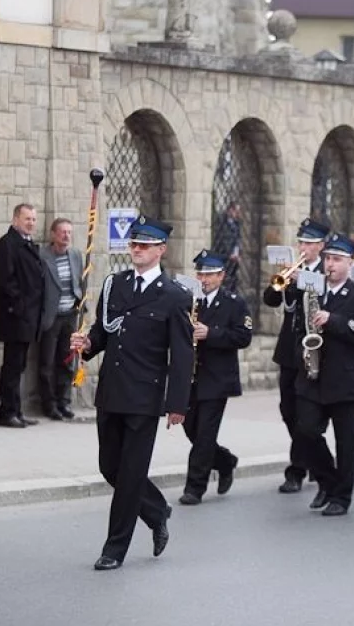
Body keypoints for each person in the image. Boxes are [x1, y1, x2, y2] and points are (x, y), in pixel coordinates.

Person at [70, 216, 195, 571]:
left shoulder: (174, 296)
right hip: (112, 391)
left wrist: (177, 404)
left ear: (161, 250)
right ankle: (157, 512)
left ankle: (114, 549)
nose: (136, 250)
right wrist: (88, 343)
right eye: (134, 244)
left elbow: (183, 354)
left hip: (145, 397)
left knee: (130, 474)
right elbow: (103, 331)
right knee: (111, 467)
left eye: (144, 245)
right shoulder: (115, 285)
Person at [291, 233, 354, 516]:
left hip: (346, 376)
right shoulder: (312, 290)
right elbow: (298, 326)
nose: (330, 264)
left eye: (337, 260)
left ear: (350, 264)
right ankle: (329, 481)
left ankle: (342, 497)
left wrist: (335, 320)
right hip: (313, 373)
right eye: (328, 258)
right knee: (305, 431)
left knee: (345, 440)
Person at [180, 249, 253, 505]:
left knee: (204, 435)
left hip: (218, 378)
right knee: (190, 428)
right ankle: (224, 461)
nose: (204, 279)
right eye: (200, 273)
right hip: (190, 377)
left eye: (210, 274)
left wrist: (211, 333)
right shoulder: (188, 301)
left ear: (221, 276)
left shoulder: (234, 303)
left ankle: (194, 487)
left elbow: (243, 337)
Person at [262, 218, 328, 494]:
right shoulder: (292, 271)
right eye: (301, 242)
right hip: (289, 351)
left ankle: (297, 470)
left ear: (321, 246)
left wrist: (306, 281)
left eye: (309, 243)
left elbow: (327, 297)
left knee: (305, 415)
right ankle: (311, 456)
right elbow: (270, 300)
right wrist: (281, 281)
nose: (303, 247)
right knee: (288, 411)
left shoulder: (325, 272)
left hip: (312, 351)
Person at [0, 203, 45, 429]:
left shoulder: (27, 244)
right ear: (16, 220)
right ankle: (7, 413)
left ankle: (17, 410)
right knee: (13, 367)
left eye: (34, 219)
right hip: (15, 317)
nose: (31, 223)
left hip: (28, 317)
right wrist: (21, 307)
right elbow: (7, 281)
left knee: (20, 365)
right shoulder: (7, 244)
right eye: (27, 219)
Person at [38, 217, 83, 420]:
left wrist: (81, 303)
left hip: (70, 316)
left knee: (67, 361)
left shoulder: (75, 255)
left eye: (69, 232)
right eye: (62, 232)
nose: (66, 236)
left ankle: (64, 402)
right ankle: (49, 405)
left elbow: (81, 280)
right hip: (51, 317)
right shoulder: (42, 255)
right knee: (46, 362)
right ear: (53, 234)